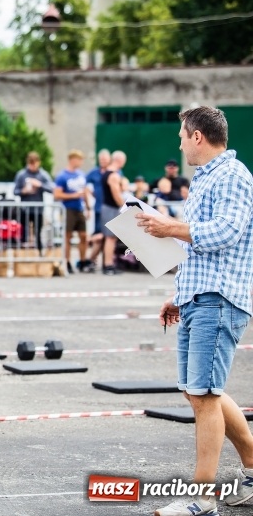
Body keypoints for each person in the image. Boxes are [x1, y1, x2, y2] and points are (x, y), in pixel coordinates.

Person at [136, 107, 253, 516]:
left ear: (198, 136)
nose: (180, 142)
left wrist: (168, 227)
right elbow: (197, 249)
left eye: (182, 135)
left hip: (219, 298)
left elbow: (227, 231)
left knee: (204, 395)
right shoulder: (205, 179)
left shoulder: (233, 176)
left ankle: (202, 499)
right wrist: (178, 293)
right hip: (199, 295)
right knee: (199, 390)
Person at [53, 149, 92, 273]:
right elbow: (57, 194)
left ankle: (82, 260)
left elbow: (84, 192)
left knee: (84, 236)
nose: (81, 162)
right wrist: (73, 196)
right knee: (67, 236)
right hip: (67, 208)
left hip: (79, 208)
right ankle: (67, 261)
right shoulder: (62, 176)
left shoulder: (81, 175)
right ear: (72, 159)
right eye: (79, 159)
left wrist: (88, 207)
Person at [13, 151, 55, 254]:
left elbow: (52, 189)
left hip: (38, 209)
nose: (32, 165)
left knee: (38, 233)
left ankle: (39, 253)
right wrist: (24, 191)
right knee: (23, 233)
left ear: (38, 162)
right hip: (24, 209)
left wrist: (40, 185)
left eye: (34, 163)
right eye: (30, 163)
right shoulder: (21, 174)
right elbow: (15, 191)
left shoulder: (43, 175)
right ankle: (22, 254)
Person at [99, 150, 127, 275]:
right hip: (111, 208)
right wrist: (124, 206)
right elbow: (116, 195)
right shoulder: (113, 175)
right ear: (120, 160)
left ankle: (108, 264)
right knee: (110, 238)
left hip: (107, 207)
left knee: (109, 238)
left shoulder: (106, 173)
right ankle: (108, 265)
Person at [86, 149, 111, 266]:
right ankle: (91, 259)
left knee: (108, 237)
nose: (103, 161)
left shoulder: (113, 172)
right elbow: (85, 185)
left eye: (105, 159)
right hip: (98, 208)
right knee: (99, 236)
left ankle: (105, 261)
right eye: (101, 159)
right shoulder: (93, 173)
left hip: (110, 209)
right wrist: (90, 194)